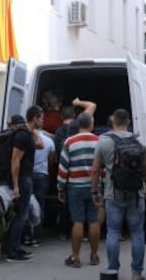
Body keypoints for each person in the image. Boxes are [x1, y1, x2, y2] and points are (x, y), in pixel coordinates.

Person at [91, 108, 146, 280]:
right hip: (136, 195)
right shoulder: (139, 142)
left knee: (113, 232)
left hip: (113, 195)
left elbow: (95, 170)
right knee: (137, 233)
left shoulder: (104, 142)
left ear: (113, 121)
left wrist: (95, 191)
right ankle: (137, 272)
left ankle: (112, 270)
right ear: (128, 123)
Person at [57, 112, 100, 268]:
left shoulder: (69, 142)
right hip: (94, 187)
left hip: (75, 187)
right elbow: (103, 168)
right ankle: (94, 256)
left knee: (78, 221)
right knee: (94, 221)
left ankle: (75, 257)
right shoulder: (99, 141)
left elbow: (63, 168)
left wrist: (60, 188)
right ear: (91, 124)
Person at [54, 97, 97, 240]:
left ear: (61, 117)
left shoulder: (59, 133)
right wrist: (78, 103)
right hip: (88, 180)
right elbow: (92, 105)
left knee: (69, 208)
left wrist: (60, 186)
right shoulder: (78, 127)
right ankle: (88, 240)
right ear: (75, 117)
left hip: (71, 178)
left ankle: (63, 232)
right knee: (90, 216)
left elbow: (61, 161)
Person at [6, 105, 44, 262]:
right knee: (21, 216)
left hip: (26, 178)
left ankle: (15, 247)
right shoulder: (22, 136)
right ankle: (12, 253)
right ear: (34, 118)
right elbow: (15, 160)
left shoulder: (27, 134)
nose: (43, 121)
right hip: (22, 179)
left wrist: (32, 130)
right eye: (41, 118)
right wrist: (16, 185)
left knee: (22, 215)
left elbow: (40, 145)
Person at [23, 128, 56, 247]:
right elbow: (52, 160)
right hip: (42, 176)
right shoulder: (49, 141)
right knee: (40, 205)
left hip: (27, 175)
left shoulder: (26, 140)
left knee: (26, 206)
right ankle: (36, 237)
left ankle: (26, 236)